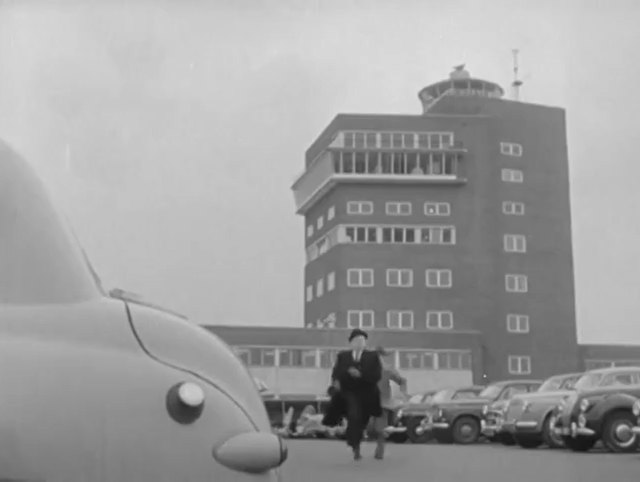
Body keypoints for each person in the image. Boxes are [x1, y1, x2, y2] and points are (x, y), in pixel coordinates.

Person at [323, 328, 382, 460]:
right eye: (356, 340)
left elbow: (376, 376)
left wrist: (360, 375)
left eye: (362, 340)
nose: (359, 343)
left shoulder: (372, 356)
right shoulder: (343, 356)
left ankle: (358, 441)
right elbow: (336, 373)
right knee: (353, 415)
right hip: (348, 393)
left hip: (367, 394)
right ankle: (355, 447)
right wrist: (338, 381)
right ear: (351, 343)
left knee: (361, 421)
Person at [370, 346, 408, 459]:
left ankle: (379, 452)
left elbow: (401, 381)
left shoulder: (385, 370)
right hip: (376, 403)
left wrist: (403, 393)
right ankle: (382, 435)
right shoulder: (375, 370)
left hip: (380, 403)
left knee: (379, 428)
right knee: (376, 428)